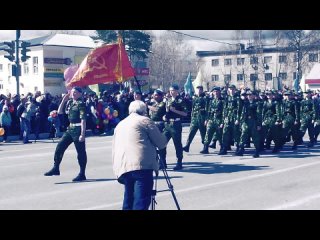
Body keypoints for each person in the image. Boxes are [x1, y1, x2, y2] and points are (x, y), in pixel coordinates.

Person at [112, 100, 167, 210]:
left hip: (123, 166)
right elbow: (161, 143)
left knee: (129, 199)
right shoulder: (144, 120)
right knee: (141, 201)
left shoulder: (120, 124)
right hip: (141, 166)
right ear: (144, 111)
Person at [44, 87, 88, 182]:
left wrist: (82, 134)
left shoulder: (81, 104)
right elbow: (60, 112)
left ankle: (82, 173)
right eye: (72, 92)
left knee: (81, 153)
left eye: (75, 92)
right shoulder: (71, 103)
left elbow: (83, 120)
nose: (73, 94)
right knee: (60, 146)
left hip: (78, 129)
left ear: (80, 94)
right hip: (70, 129)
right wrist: (63, 100)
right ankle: (56, 168)